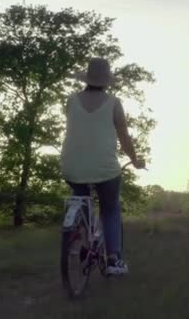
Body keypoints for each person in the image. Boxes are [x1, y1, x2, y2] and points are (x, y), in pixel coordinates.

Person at [60, 57, 145, 275]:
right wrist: (134, 159)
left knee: (82, 196)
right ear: (107, 81)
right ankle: (113, 260)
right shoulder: (113, 103)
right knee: (110, 209)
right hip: (105, 169)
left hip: (71, 166)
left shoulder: (71, 100)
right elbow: (124, 137)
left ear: (86, 78)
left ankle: (84, 237)